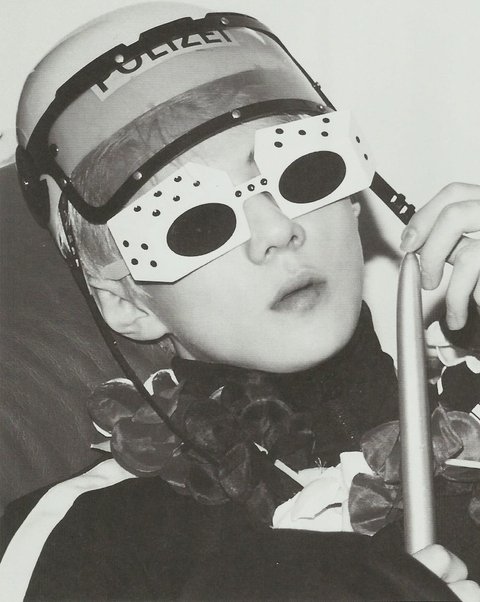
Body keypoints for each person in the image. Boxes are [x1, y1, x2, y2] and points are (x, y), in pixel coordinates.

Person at [1, 2, 479, 600]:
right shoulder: (84, 543)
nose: (276, 230)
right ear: (127, 303)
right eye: (192, 219)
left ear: (353, 197)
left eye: (302, 170)